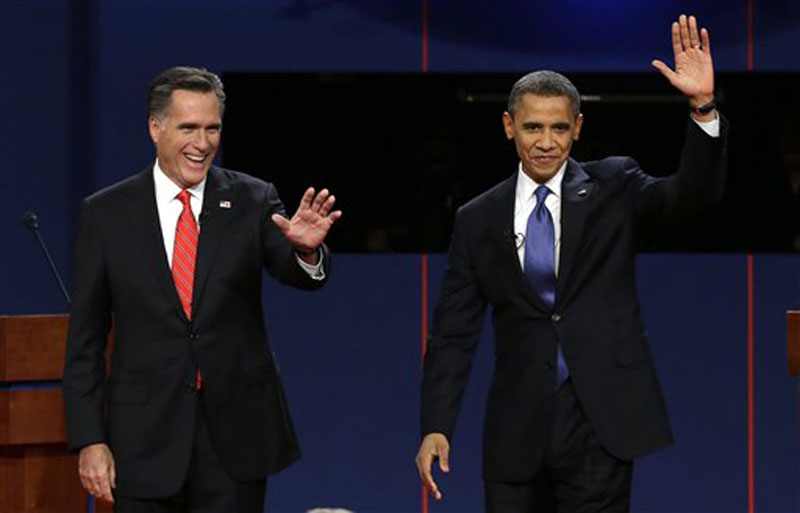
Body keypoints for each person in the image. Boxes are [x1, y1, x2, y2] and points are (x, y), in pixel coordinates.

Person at [415, 14, 726, 512]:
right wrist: (435, 425)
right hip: (516, 431)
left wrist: (703, 108)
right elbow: (453, 332)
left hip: (600, 424)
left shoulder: (614, 187)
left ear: (577, 128)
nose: (546, 141)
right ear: (508, 126)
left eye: (559, 127)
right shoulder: (478, 219)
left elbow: (691, 197)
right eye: (533, 127)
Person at [63, 66, 341, 512]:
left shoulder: (252, 199)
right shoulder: (107, 214)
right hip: (143, 441)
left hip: (234, 438)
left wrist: (308, 254)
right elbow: (85, 341)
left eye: (212, 128)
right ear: (155, 128)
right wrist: (89, 439)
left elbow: (298, 274)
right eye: (188, 127)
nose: (203, 142)